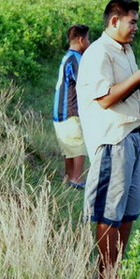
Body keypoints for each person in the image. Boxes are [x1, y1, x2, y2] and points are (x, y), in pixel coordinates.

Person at [76, 0, 140, 279]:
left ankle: (114, 273)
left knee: (128, 212)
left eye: (137, 22)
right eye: (133, 21)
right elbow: (105, 99)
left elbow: (129, 94)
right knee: (108, 212)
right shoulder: (97, 54)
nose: (136, 28)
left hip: (133, 137)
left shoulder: (126, 51)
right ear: (114, 21)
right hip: (112, 140)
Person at [53, 24, 91, 189]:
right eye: (88, 39)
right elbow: (86, 85)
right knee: (78, 146)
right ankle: (76, 180)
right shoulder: (77, 59)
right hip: (70, 112)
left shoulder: (67, 56)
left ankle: (68, 180)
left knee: (68, 147)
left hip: (59, 113)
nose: (89, 43)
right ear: (82, 40)